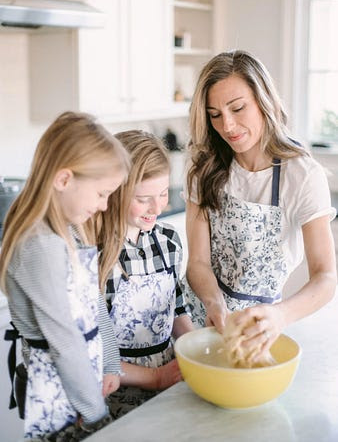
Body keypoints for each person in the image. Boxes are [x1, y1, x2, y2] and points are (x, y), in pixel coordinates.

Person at [185, 50, 337, 355]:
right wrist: (214, 303)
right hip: (197, 320)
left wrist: (280, 315)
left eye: (237, 108)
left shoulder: (302, 176)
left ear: (264, 100)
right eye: (215, 114)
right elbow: (198, 262)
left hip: (261, 330)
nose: (227, 126)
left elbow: (325, 277)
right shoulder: (207, 167)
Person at [0, 111, 130, 440]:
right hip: (57, 391)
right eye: (102, 193)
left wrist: (110, 362)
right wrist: (96, 415)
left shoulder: (67, 229)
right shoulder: (39, 245)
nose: (104, 206)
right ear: (63, 180)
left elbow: (91, 299)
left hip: (82, 382)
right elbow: (64, 340)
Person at [97, 130, 194, 419]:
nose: (157, 207)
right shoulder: (96, 253)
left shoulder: (168, 240)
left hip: (167, 389)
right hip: (114, 394)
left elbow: (175, 305)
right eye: (143, 198)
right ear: (114, 192)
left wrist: (197, 350)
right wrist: (154, 377)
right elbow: (91, 349)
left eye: (163, 193)